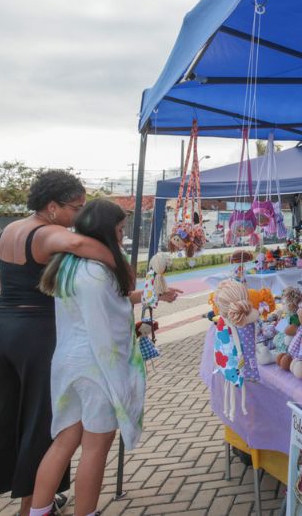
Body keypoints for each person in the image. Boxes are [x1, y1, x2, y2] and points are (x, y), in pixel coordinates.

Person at [0, 170, 126, 516]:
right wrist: (117, 262)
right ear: (52, 206)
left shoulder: (9, 230)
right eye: (76, 207)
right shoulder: (48, 233)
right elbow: (79, 245)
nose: (79, 214)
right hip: (35, 333)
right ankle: (33, 505)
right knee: (41, 421)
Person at [30, 200, 177, 516]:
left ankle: (37, 511)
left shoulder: (67, 264)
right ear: (106, 230)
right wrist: (133, 345)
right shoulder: (97, 271)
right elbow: (109, 325)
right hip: (96, 366)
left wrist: (152, 295)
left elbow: (114, 301)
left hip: (68, 361)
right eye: (120, 230)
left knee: (64, 440)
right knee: (96, 446)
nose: (123, 236)